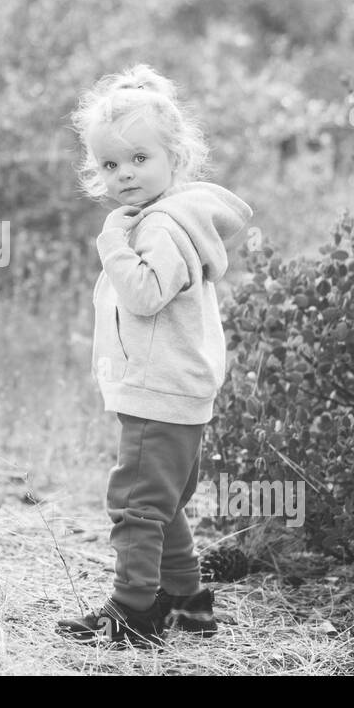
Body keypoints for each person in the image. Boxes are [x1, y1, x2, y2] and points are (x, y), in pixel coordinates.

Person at [57, 64, 254, 647]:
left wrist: (112, 243)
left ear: (176, 157)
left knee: (135, 503)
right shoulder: (170, 219)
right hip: (173, 388)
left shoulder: (162, 227)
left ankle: (134, 610)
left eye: (139, 159)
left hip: (162, 390)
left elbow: (144, 294)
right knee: (161, 504)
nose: (124, 175)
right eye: (111, 164)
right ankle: (189, 603)